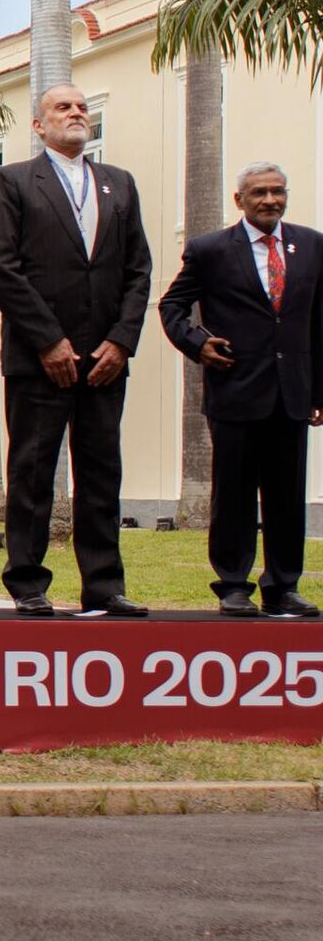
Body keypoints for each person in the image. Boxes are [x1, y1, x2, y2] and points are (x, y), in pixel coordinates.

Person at [0, 84, 153, 617]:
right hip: (39, 360)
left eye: (81, 106)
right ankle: (28, 583)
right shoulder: (13, 182)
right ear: (39, 125)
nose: (76, 112)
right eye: (63, 107)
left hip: (105, 360)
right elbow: (1, 267)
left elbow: (138, 270)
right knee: (32, 473)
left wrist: (121, 341)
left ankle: (104, 587)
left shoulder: (119, 184)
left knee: (101, 473)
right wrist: (49, 341)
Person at [159, 162, 323, 618]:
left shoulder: (312, 245)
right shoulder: (210, 250)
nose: (270, 200)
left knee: (287, 496)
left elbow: (317, 320)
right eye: (259, 193)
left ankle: (283, 587)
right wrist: (198, 344)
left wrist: (319, 391)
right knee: (233, 494)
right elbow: (172, 306)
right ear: (240, 200)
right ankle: (233, 585)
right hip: (235, 391)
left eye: (278, 191)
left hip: (292, 393)